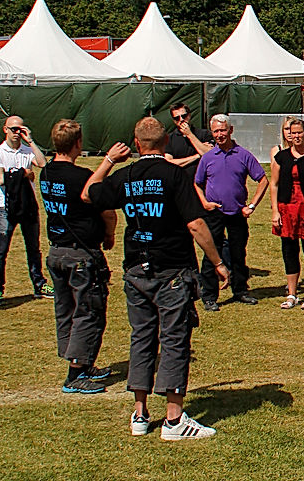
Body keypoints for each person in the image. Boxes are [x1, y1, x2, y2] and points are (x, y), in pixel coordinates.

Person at [83, 117, 229, 440]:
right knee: (175, 339)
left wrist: (108, 160)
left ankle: (140, 413)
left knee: (142, 338)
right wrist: (218, 262)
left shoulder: (126, 175)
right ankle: (174, 421)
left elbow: (89, 193)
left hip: (137, 268)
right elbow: (195, 224)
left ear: (136, 144)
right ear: (165, 143)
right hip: (172, 269)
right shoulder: (174, 175)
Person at [40, 119, 117, 393]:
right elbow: (105, 208)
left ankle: (81, 362)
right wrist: (109, 234)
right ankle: (75, 373)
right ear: (77, 144)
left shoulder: (46, 172)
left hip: (57, 250)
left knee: (66, 310)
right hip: (80, 253)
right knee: (88, 311)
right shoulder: (81, 176)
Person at [193, 114, 268, 311]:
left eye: (223, 130)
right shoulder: (208, 157)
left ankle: (240, 290)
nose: (220, 135)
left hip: (237, 212)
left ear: (231, 130)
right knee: (211, 254)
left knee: (238, 253)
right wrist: (205, 203)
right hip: (214, 213)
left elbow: (263, 180)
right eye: (216, 131)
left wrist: (251, 206)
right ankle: (209, 296)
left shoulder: (243, 155)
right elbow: (197, 183)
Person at [0, 115, 50, 304]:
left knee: (33, 248)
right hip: (6, 208)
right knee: (1, 249)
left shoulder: (27, 151)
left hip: (28, 206)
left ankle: (39, 284)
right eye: (13, 129)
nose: (16, 133)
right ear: (5, 130)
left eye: (20, 129)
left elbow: (43, 164)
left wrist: (30, 141)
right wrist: (24, 173)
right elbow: (1, 179)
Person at [269, 118, 304, 310]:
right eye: (293, 133)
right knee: (289, 250)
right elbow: (274, 184)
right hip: (287, 209)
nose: (296, 136)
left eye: (299, 132)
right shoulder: (281, 157)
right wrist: (275, 211)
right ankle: (292, 294)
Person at [164, 103, 212, 171]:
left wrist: (189, 134)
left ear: (189, 115)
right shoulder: (169, 138)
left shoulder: (204, 134)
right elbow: (169, 162)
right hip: (180, 175)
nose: (181, 119)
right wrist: (197, 156)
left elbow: (209, 154)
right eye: (177, 118)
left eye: (184, 116)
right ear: (174, 121)